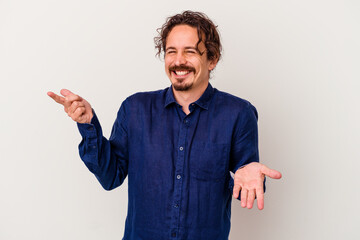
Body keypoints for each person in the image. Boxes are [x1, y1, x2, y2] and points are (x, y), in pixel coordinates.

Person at [48, 10, 281, 240]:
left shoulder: (239, 113)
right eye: (171, 52)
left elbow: (246, 186)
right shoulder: (135, 109)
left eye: (189, 52)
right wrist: (88, 125)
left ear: (212, 59)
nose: (178, 61)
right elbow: (110, 177)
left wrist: (250, 176)